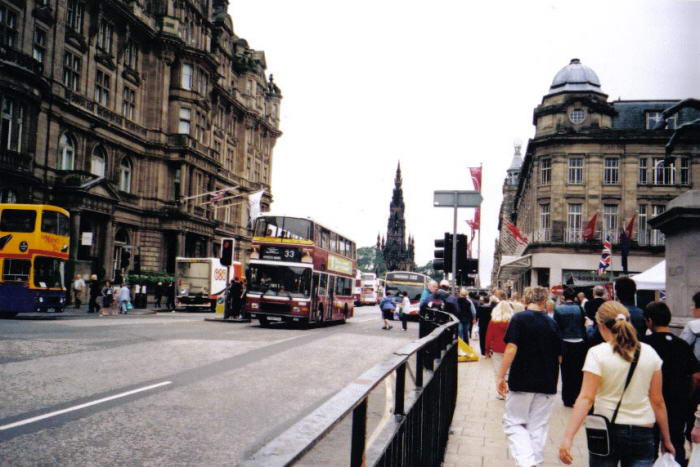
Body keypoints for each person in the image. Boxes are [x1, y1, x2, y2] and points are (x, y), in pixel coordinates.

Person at [558, 301, 675, 466]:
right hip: (642, 429)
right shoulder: (649, 353)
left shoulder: (597, 353)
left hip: (606, 429)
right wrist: (666, 438)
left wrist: (568, 437)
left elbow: (586, 398)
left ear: (601, 326)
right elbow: (657, 401)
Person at [496, 286, 562, 467]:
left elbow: (511, 348)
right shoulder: (552, 324)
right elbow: (560, 356)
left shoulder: (519, 318)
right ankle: (536, 463)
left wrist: (501, 376)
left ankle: (526, 462)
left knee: (513, 423)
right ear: (545, 301)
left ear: (526, 299)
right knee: (538, 428)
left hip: (522, 379)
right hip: (547, 381)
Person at [643, 301, 700, 466]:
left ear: (649, 321)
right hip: (677, 403)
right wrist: (688, 395)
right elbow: (696, 376)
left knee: (648, 446)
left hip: (649, 403)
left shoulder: (643, 344)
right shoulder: (682, 345)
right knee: (676, 443)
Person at [554, 286, 587, 407]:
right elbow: (583, 325)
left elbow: (557, 329)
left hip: (565, 343)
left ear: (564, 297)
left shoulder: (558, 309)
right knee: (578, 372)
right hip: (579, 342)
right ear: (574, 297)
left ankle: (567, 399)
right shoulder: (580, 308)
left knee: (566, 372)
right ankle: (576, 396)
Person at [485, 290, 516, 400]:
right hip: (511, 348)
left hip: (497, 349)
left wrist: (487, 350)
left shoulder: (493, 321)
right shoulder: (513, 322)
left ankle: (500, 392)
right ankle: (509, 391)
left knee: (498, 371)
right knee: (509, 371)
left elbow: (488, 336)